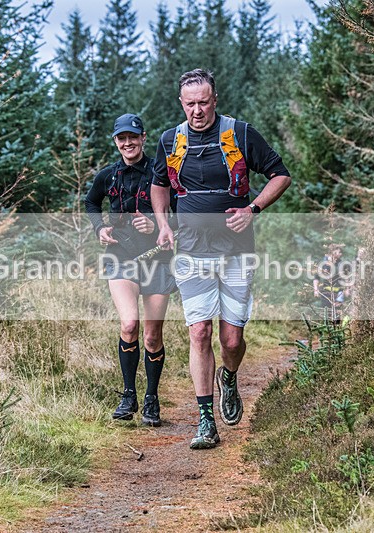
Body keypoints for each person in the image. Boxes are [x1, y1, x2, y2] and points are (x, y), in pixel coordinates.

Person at [151, 69, 292, 449]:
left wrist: (254, 208)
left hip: (236, 252)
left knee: (231, 340)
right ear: (182, 103)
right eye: (190, 103)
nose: (197, 110)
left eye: (204, 102)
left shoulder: (240, 133)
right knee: (199, 332)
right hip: (192, 251)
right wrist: (164, 225)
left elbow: (281, 175)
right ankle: (205, 420)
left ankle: (228, 378)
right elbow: (159, 185)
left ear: (215, 100)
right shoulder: (170, 140)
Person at [85, 113, 177, 427]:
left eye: (133, 137)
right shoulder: (108, 175)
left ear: (143, 138)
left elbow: (180, 212)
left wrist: (156, 224)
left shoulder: (159, 172)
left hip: (156, 259)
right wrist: (99, 229)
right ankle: (128, 395)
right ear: (116, 141)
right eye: (122, 138)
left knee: (152, 337)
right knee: (129, 323)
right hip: (119, 256)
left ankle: (151, 398)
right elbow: (91, 202)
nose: (128, 143)